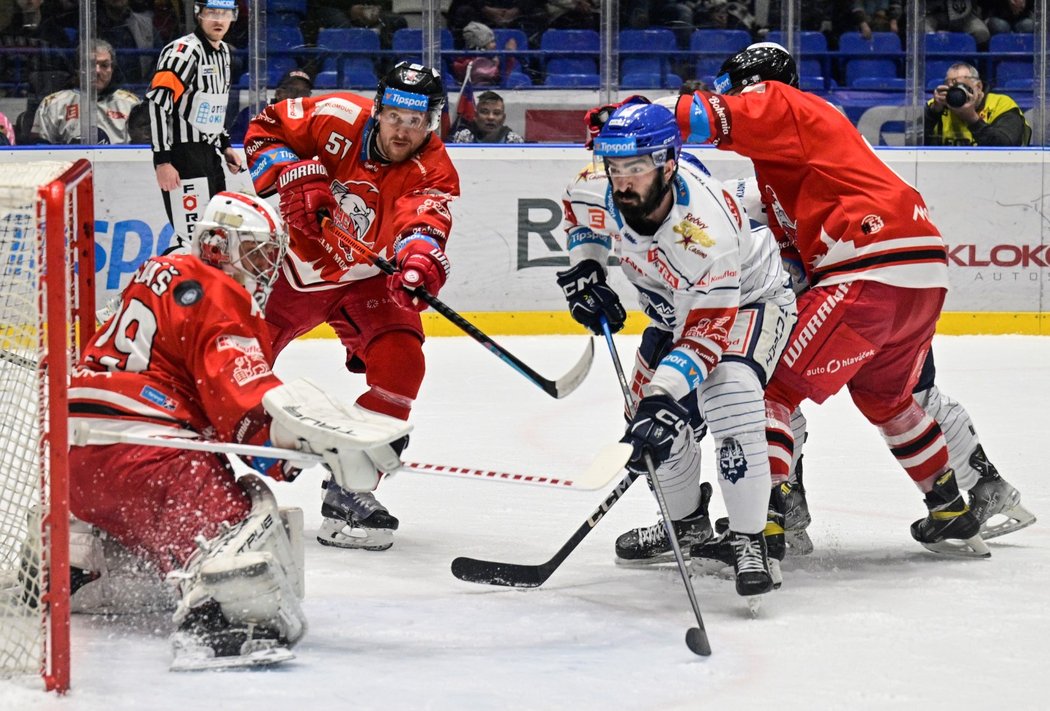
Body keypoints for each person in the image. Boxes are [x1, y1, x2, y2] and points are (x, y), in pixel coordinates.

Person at [667, 42, 990, 558]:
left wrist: (631, 123)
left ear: (755, 80)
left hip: (870, 264)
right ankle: (952, 510)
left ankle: (766, 525)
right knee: (888, 399)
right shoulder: (789, 161)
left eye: (733, 82)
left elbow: (706, 116)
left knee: (768, 387)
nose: (728, 91)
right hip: (920, 271)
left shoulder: (781, 101)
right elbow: (792, 259)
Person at [68, 191, 411, 669]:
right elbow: (244, 407)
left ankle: (72, 569)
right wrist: (307, 451)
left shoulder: (154, 272)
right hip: (148, 457)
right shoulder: (219, 290)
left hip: (72, 462)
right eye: (256, 251)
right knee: (250, 517)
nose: (266, 266)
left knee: (139, 527)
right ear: (216, 245)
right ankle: (223, 626)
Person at [558, 100, 797, 597]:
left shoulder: (706, 231)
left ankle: (750, 540)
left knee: (726, 396)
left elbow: (708, 335)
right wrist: (588, 268)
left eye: (637, 168)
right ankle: (686, 527)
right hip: (675, 312)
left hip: (749, 303)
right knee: (649, 420)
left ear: (668, 163)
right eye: (615, 167)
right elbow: (578, 216)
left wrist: (666, 393)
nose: (622, 181)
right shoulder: (594, 186)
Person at [727, 175, 1037, 554]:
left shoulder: (818, 186)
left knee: (775, 395)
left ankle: (781, 508)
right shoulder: (746, 200)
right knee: (905, 400)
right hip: (859, 301)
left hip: (861, 297)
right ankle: (979, 491)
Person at [244, 61, 461, 551]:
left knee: (402, 363)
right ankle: (201, 474)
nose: (404, 130)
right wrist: (295, 174)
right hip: (290, 264)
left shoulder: (434, 168)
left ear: (431, 121)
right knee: (238, 366)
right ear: (379, 109)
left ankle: (349, 494)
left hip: (368, 275)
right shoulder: (336, 114)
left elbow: (425, 223)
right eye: (395, 116)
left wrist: (419, 262)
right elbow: (262, 131)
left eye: (417, 120)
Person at [146, 0, 243, 251]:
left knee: (216, 235)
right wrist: (163, 161)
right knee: (192, 239)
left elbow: (212, 105)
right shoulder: (183, 51)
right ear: (199, 14)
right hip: (183, 156)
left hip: (209, 154)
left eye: (225, 13)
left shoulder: (224, 52)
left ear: (234, 16)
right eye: (212, 12)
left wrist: (224, 145)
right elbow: (158, 104)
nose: (219, 20)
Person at [29, 40, 141, 145]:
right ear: (78, 68)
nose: (97, 71)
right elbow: (40, 150)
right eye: (91, 64)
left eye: (104, 65)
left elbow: (142, 150)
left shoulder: (130, 104)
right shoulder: (54, 104)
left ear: (112, 69)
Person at [924, 63, 1032, 147]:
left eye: (962, 87)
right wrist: (932, 113)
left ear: (978, 87)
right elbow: (913, 144)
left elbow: (1007, 148)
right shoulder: (937, 105)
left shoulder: (1000, 104)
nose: (957, 93)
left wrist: (972, 118)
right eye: (952, 88)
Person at [227, 68, 313, 145]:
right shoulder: (254, 112)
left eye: (304, 92)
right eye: (292, 90)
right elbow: (236, 146)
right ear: (278, 93)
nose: (298, 96)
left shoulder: (313, 119)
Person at [450, 90, 524, 143]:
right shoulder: (464, 138)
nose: (490, 117)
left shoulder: (514, 141)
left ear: (503, 118)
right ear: (475, 116)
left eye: (496, 113)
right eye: (485, 112)